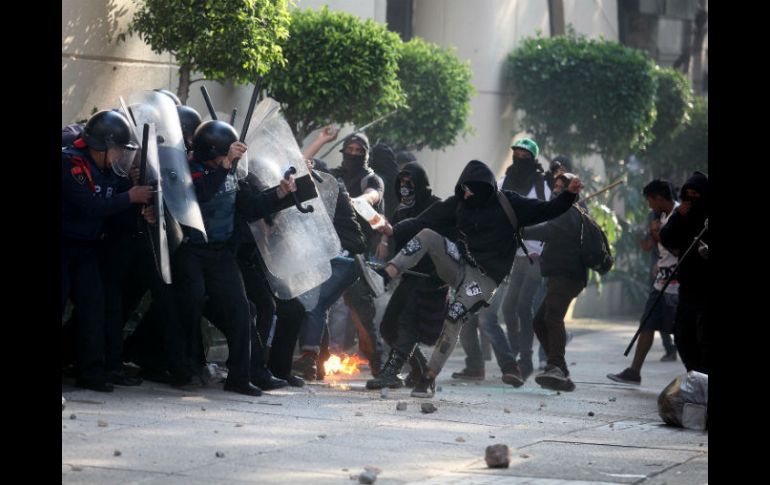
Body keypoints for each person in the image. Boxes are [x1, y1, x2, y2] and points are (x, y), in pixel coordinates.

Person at [375, 159, 582, 398]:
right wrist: (393, 230)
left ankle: (428, 377)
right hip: (459, 266)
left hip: (484, 280)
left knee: (455, 316)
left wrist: (568, 195)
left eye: (472, 188)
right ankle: (386, 273)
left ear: (485, 187)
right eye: (464, 188)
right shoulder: (460, 202)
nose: (468, 193)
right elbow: (424, 221)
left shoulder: (509, 203)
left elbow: (546, 210)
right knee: (427, 235)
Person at [62, 110, 153, 391]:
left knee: (94, 308)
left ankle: (91, 372)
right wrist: (130, 195)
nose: (119, 158)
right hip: (64, 245)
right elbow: (91, 205)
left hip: (87, 249)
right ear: (101, 146)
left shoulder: (108, 170)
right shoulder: (70, 163)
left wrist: (134, 192)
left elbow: (115, 201)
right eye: (116, 151)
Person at [365, 162, 446, 390]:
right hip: (409, 276)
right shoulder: (401, 210)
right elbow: (394, 235)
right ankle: (420, 369)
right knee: (388, 326)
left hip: (431, 278)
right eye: (401, 182)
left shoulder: (435, 205)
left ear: (420, 183)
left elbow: (431, 234)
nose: (404, 187)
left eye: (409, 182)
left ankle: (391, 372)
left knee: (408, 323)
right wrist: (383, 240)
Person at [607, 180, 680, 385]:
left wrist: (658, 234)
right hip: (661, 281)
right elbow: (650, 246)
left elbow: (677, 249)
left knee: (682, 331)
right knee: (647, 324)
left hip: (677, 284)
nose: (648, 205)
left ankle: (697, 375)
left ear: (658, 198)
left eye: (649, 200)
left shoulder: (679, 216)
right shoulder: (660, 216)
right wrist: (644, 235)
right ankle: (634, 371)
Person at [521, 173, 588, 392]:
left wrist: (521, 230)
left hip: (568, 274)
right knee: (539, 322)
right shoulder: (562, 209)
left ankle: (555, 366)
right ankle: (562, 370)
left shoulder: (571, 210)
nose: (557, 190)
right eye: (556, 187)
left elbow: (550, 231)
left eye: (562, 187)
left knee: (552, 317)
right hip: (557, 274)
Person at [660, 172, 709, 375]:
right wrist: (678, 216)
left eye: (695, 194)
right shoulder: (683, 215)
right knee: (682, 334)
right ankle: (694, 373)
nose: (691, 198)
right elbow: (667, 238)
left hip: (707, 288)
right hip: (688, 286)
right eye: (687, 194)